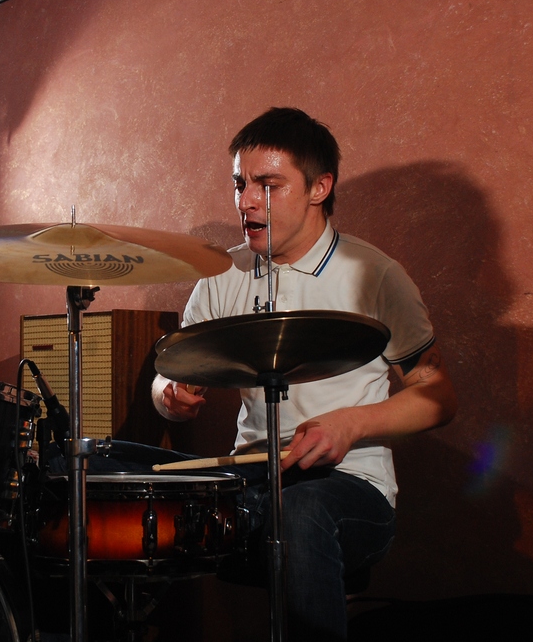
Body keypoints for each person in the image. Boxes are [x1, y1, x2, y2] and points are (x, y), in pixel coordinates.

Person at [151, 107, 457, 641]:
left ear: (320, 187)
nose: (246, 202)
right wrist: (169, 394)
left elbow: (439, 395)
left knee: (300, 509)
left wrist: (350, 424)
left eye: (268, 186)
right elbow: (168, 380)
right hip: (251, 479)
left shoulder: (374, 274)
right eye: (240, 184)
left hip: (349, 486)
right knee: (117, 477)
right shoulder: (222, 276)